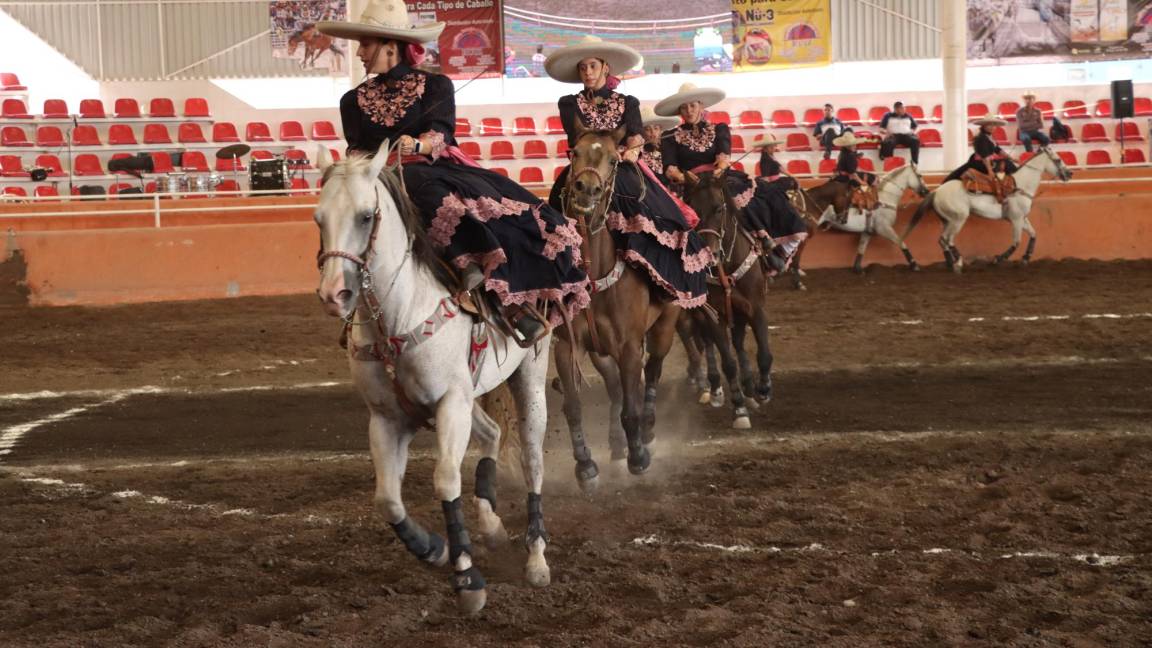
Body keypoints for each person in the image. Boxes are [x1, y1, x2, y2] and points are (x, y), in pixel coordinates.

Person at [317, 1, 588, 346]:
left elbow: (441, 135)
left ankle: (494, 291)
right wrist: (366, 165)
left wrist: (417, 146)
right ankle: (352, 301)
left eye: (365, 45)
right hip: (377, 177)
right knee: (342, 215)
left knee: (439, 195)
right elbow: (356, 148)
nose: (359, 53)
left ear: (389, 46)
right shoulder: (351, 100)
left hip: (427, 168)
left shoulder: (436, 86)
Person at [545, 36, 709, 308]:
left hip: (619, 166)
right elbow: (576, 137)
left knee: (655, 210)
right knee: (554, 208)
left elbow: (635, 137)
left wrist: (631, 151)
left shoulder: (628, 101)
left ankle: (657, 278)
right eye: (583, 67)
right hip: (586, 165)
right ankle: (557, 279)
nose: (587, 72)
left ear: (605, 68)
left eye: (593, 66)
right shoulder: (568, 103)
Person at [655, 82, 805, 272]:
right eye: (684, 107)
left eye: (692, 105)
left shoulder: (719, 128)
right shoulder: (670, 135)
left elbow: (724, 155)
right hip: (692, 184)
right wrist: (684, 177)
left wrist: (721, 167)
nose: (689, 110)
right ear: (680, 111)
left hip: (719, 178)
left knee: (767, 193)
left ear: (701, 106)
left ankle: (767, 244)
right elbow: (669, 168)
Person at [944, 114, 1017, 184]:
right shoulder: (981, 138)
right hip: (980, 164)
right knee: (1007, 164)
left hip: (987, 162)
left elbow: (998, 150)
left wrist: (1012, 158)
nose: (992, 127)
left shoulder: (989, 137)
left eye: (994, 124)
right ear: (984, 126)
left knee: (1007, 162)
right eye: (989, 124)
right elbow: (985, 156)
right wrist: (990, 170)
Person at [639, 106, 679, 187]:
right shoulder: (639, 152)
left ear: (661, 130)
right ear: (642, 132)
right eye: (647, 129)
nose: (653, 133)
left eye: (656, 128)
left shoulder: (670, 147)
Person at [878, 101, 920, 165]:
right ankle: (890, 164)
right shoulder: (888, 115)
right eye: (898, 109)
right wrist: (887, 133)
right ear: (895, 109)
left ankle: (914, 163)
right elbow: (881, 128)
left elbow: (915, 127)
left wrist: (913, 132)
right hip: (894, 135)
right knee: (888, 143)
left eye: (902, 108)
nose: (901, 110)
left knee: (915, 141)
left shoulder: (908, 116)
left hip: (906, 135)